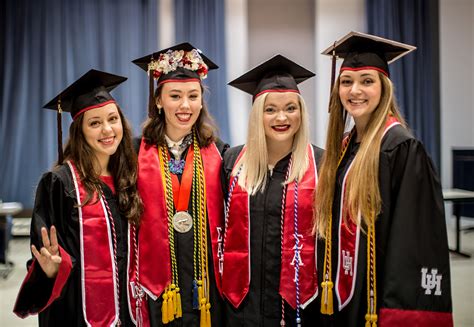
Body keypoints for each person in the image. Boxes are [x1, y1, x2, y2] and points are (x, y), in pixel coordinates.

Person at [313, 31, 453, 326]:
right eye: (347, 82)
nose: (355, 91)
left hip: (376, 298)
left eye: (367, 81)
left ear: (384, 88)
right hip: (343, 292)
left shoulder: (401, 148)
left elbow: (414, 241)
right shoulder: (343, 147)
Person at [13, 69, 143, 326]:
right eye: (94, 123)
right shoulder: (59, 184)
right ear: (80, 131)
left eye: (112, 119)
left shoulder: (130, 177)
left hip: (130, 311)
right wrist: (48, 271)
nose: (107, 129)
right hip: (78, 311)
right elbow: (43, 255)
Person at [221, 55, 324, 326]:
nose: (282, 117)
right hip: (242, 307)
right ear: (258, 115)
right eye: (270, 110)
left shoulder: (321, 165)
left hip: (299, 307)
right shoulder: (232, 163)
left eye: (291, 108)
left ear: (301, 112)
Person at [130, 43, 228, 326]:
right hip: (155, 290)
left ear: (201, 101)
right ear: (159, 101)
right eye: (175, 96)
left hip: (206, 289)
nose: (185, 106)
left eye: (192, 96)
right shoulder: (135, 154)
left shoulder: (220, 153)